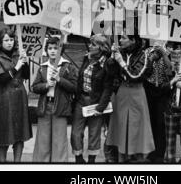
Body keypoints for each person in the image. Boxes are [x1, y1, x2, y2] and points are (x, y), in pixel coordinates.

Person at [106, 33, 160, 163]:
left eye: (124, 38)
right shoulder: (120, 52)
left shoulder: (144, 55)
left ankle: (138, 159)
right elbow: (111, 73)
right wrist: (112, 60)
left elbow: (136, 76)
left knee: (137, 126)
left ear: (133, 40)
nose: (120, 40)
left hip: (137, 93)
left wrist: (121, 62)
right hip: (122, 93)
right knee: (121, 125)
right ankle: (121, 158)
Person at [0, 27, 32, 162]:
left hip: (20, 98)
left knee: (20, 134)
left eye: (11, 39)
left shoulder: (18, 54)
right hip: (4, 99)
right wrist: (17, 66)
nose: (9, 42)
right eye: (6, 40)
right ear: (0, 42)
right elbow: (1, 79)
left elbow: (26, 76)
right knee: (4, 135)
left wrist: (25, 61)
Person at [71, 34, 117, 163]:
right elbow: (81, 78)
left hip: (96, 102)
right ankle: (79, 159)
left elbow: (108, 87)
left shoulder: (108, 63)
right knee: (76, 133)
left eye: (93, 44)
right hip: (81, 100)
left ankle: (91, 161)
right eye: (90, 43)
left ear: (102, 48)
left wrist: (100, 107)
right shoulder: (87, 58)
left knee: (94, 134)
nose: (90, 46)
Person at [32, 36, 78, 162]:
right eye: (50, 48)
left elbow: (74, 87)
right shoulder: (43, 67)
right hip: (45, 105)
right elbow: (34, 87)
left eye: (56, 48)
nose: (53, 51)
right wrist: (46, 85)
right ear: (46, 50)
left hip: (61, 106)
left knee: (59, 140)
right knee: (43, 139)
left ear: (60, 50)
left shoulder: (68, 66)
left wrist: (60, 80)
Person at [143, 42, 172, 163]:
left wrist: (164, 54)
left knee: (161, 122)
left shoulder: (169, 52)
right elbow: (145, 70)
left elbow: (171, 69)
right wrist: (151, 57)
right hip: (149, 88)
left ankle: (160, 153)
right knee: (150, 121)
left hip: (163, 88)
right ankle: (150, 152)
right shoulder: (146, 52)